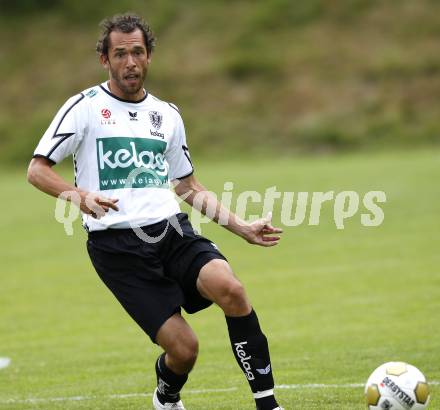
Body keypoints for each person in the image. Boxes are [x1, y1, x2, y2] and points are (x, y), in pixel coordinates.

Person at [27, 13, 284, 410]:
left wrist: (243, 227)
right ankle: (167, 395)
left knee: (231, 288)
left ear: (148, 57)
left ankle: (268, 404)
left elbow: (188, 186)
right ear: (105, 60)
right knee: (185, 350)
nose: (130, 62)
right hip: (117, 249)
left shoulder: (167, 115)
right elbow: (37, 170)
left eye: (137, 53)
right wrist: (80, 197)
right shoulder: (84, 108)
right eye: (120, 54)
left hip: (170, 231)